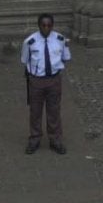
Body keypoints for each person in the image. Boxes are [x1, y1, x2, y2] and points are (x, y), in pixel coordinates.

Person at [19, 14, 69, 155]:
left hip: (53, 80)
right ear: (39, 25)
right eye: (43, 25)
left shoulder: (60, 40)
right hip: (37, 81)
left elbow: (65, 57)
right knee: (35, 111)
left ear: (52, 26)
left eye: (49, 25)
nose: (46, 28)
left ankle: (55, 140)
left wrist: (55, 70)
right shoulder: (30, 42)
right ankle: (35, 139)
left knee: (54, 111)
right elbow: (25, 60)